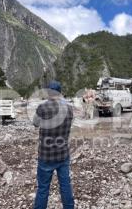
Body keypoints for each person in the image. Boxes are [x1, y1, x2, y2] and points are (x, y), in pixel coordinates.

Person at [33, 81, 74, 209]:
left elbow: (35, 123)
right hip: (63, 155)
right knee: (65, 185)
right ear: (60, 92)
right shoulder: (69, 108)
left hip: (46, 156)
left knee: (43, 188)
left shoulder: (42, 108)